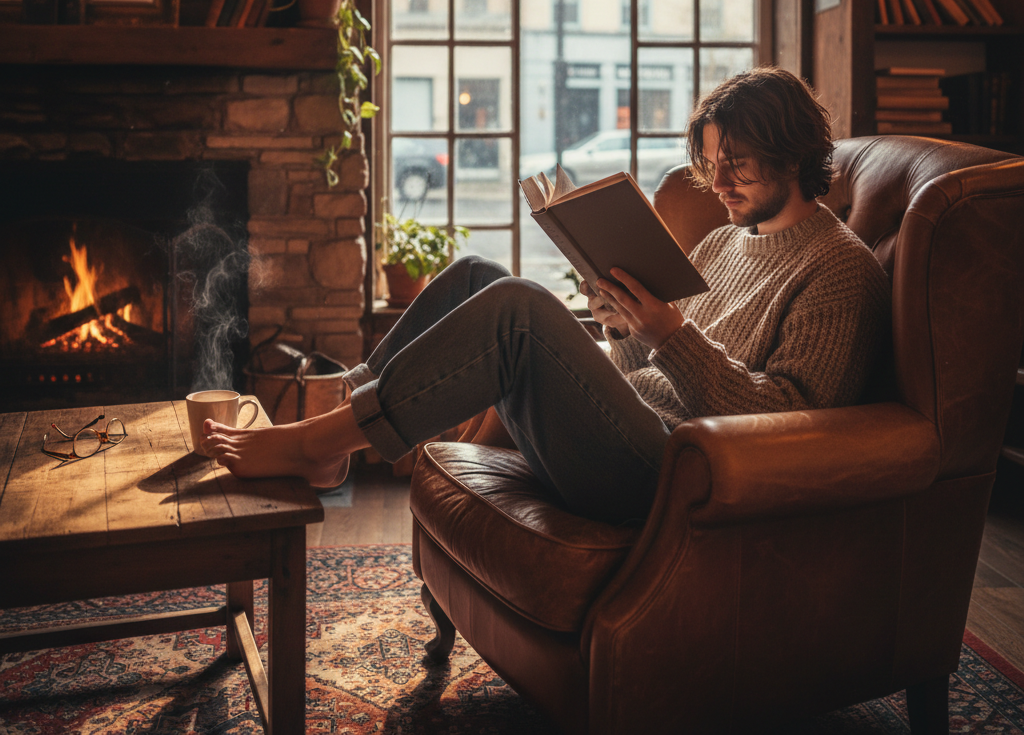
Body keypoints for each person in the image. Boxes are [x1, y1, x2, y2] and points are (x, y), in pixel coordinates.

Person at [203, 67, 890, 524]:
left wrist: (671, 337)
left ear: (794, 153)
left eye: (736, 162)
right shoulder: (720, 243)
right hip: (629, 434)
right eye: (711, 163)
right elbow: (650, 377)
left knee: (522, 308)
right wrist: (624, 330)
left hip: (677, 474)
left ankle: (319, 444)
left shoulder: (839, 269)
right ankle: (337, 414)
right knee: (477, 274)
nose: (720, 181)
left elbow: (792, 421)